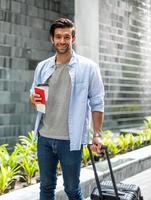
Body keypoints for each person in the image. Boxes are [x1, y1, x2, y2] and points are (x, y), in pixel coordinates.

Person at [29, 18, 105, 200]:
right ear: (52, 39)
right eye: (58, 37)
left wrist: (97, 134)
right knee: (46, 187)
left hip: (71, 140)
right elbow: (33, 93)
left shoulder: (89, 68)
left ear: (73, 39)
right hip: (45, 137)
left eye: (66, 37)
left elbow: (97, 102)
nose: (62, 41)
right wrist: (32, 98)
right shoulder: (42, 66)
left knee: (72, 189)